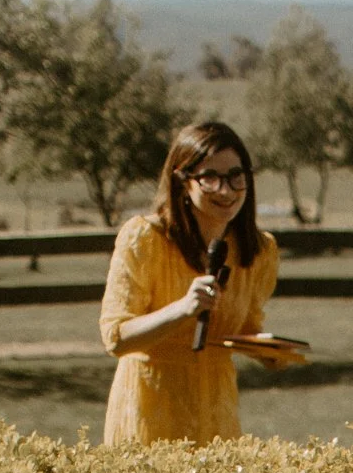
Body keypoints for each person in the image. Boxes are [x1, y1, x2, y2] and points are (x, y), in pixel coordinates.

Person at [99, 121, 283, 444]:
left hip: (216, 419)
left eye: (235, 177)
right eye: (210, 179)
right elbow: (116, 337)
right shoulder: (144, 239)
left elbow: (245, 326)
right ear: (182, 181)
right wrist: (183, 309)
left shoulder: (258, 251)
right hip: (148, 415)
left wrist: (269, 351)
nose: (226, 191)